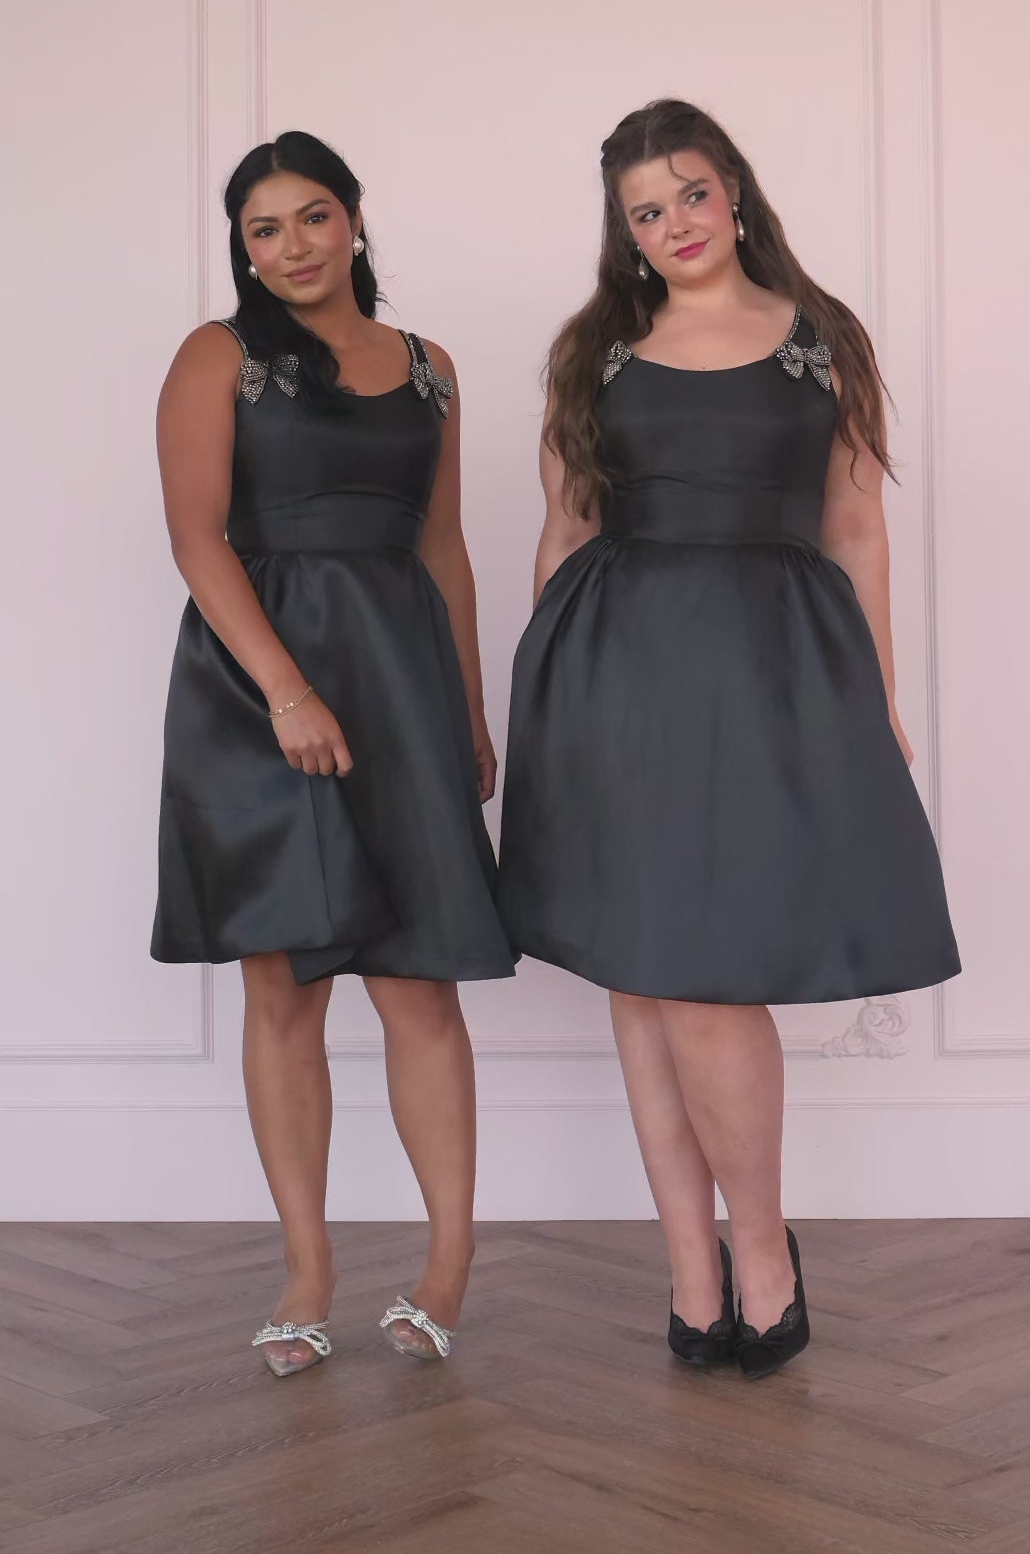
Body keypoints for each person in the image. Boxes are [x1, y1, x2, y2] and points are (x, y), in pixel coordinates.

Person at [498, 99, 960, 1380]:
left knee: (707, 975)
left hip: (767, 674)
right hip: (616, 676)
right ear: (626, 232)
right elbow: (566, 530)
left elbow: (856, 529)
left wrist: (875, 696)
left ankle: (762, 1251)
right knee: (643, 976)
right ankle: (691, 1272)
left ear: (735, 191)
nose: (676, 224)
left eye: (691, 193)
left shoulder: (822, 338)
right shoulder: (596, 350)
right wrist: (546, 699)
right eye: (647, 211)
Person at [153, 131, 515, 1375]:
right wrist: (288, 693)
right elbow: (197, 538)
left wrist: (470, 712)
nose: (292, 245)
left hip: (401, 685)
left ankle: (447, 1264)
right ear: (243, 248)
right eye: (264, 228)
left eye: (313, 216)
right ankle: (306, 1269)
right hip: (260, 688)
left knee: (418, 983)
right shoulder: (219, 356)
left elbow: (444, 548)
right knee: (284, 984)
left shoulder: (430, 369)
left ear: (354, 219)